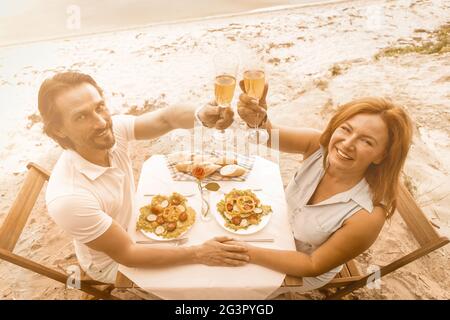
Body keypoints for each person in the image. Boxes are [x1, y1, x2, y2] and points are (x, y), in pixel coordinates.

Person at [37, 71, 248, 284]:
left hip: (135, 225)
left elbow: (167, 118)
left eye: (99, 107)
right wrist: (198, 253)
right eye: (81, 116)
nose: (101, 122)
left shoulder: (109, 132)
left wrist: (201, 114)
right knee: (208, 276)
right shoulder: (69, 199)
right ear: (59, 130)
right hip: (114, 263)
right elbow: (128, 254)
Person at [235, 81, 413, 293]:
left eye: (367, 141)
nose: (347, 143)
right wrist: (259, 121)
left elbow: (312, 265)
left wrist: (246, 252)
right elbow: (267, 136)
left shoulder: (368, 216)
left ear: (381, 156)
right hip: (277, 229)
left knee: (230, 285)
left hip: (300, 267)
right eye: (346, 129)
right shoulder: (316, 145)